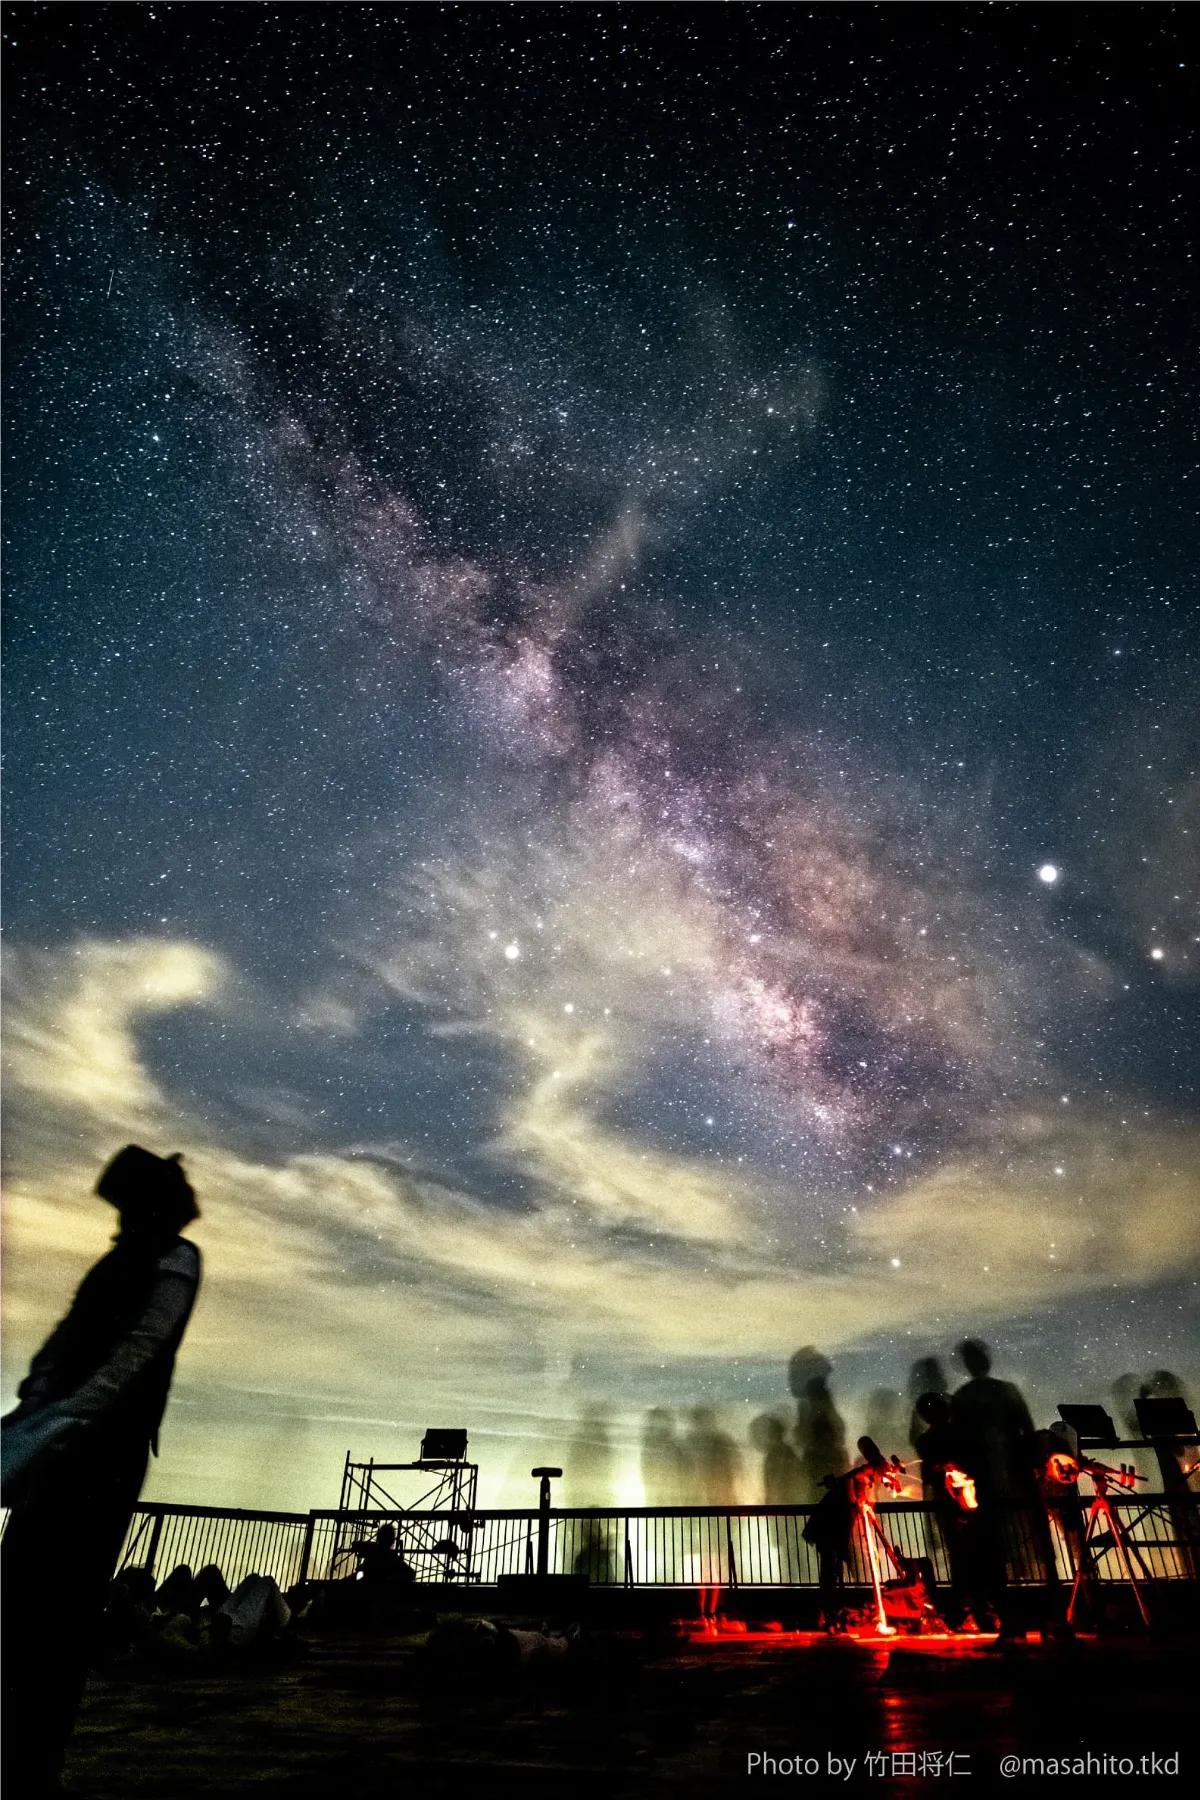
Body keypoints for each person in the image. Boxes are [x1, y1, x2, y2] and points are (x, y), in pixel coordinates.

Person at [1, 1144, 202, 1797]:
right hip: (70, 1440)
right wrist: (36, 1408)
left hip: (103, 1451)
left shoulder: (172, 1258)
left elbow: (142, 1346)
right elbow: (65, 1341)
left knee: (60, 1609)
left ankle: (33, 1761)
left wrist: (65, 1414)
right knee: (20, 1594)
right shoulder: (125, 1257)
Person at [949, 1339, 1036, 1641]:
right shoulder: (1006, 1391)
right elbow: (1027, 1430)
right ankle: (1026, 1618)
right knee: (1016, 1547)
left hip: (986, 1481)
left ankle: (1008, 1617)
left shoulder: (963, 1397)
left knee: (993, 1552)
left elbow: (958, 1442)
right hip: (1011, 1479)